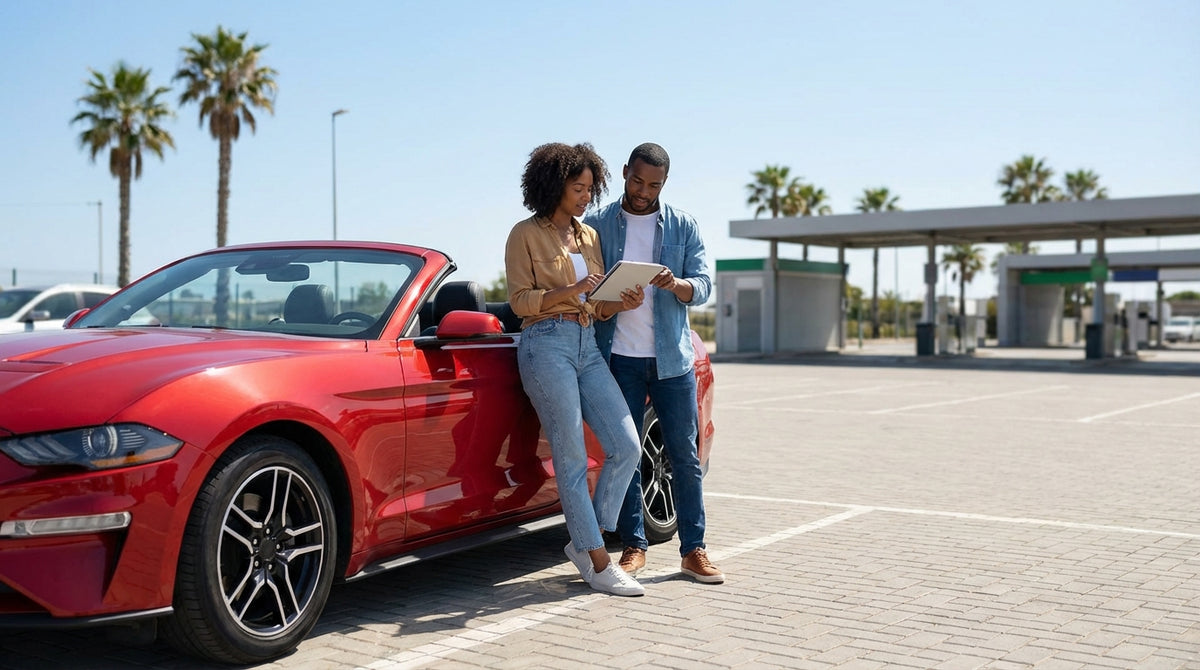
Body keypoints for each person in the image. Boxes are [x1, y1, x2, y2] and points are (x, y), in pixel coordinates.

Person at [504, 142, 647, 597]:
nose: (587, 196)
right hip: (545, 344)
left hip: (586, 343)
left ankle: (588, 540)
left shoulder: (588, 237)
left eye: (591, 188)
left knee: (626, 445)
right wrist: (571, 289)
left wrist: (621, 299)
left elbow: (598, 304)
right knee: (569, 457)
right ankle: (598, 561)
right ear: (555, 185)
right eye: (578, 187)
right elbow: (520, 302)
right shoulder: (524, 234)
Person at [586, 142, 724, 584]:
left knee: (683, 455)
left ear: (665, 183)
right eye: (637, 181)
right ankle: (634, 546)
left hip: (672, 361)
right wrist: (611, 296)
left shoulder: (683, 225)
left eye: (654, 185)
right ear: (625, 171)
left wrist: (677, 284)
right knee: (625, 453)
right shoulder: (597, 225)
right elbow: (587, 289)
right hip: (618, 358)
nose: (644, 191)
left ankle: (693, 550)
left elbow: (703, 285)